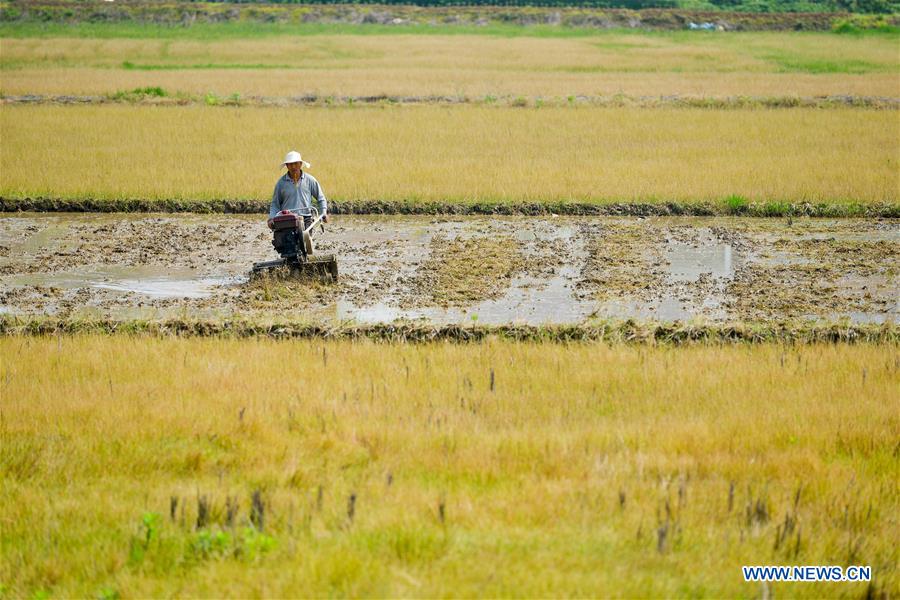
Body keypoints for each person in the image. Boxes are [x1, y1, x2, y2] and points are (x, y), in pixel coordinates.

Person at [268, 151, 328, 231]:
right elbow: (275, 204)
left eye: (296, 163)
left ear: (300, 164)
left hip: (306, 218)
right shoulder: (281, 183)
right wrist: (271, 218)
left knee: (305, 240)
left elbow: (321, 199)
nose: (293, 167)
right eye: (290, 164)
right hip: (286, 219)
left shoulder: (310, 180)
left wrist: (323, 213)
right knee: (287, 242)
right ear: (286, 166)